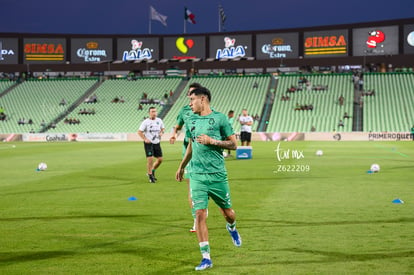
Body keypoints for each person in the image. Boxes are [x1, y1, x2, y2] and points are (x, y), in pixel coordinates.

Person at [176, 87, 241, 271]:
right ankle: (206, 258)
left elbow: (234, 145)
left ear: (202, 99)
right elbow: (190, 144)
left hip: (217, 175)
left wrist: (213, 141)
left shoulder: (221, 119)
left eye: (192, 100)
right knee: (199, 214)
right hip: (197, 175)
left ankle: (232, 227)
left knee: (228, 213)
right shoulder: (191, 120)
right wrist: (182, 166)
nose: (189, 104)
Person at [170, 82, 203, 232]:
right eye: (190, 93)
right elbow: (177, 126)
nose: (191, 96)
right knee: (192, 190)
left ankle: (203, 210)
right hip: (189, 155)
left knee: (205, 189)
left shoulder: (209, 113)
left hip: (204, 155)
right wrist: (173, 134)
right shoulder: (184, 111)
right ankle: (196, 220)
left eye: (194, 93)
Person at [137, 107, 165, 183]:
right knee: (150, 159)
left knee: (160, 160)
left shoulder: (159, 120)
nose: (154, 113)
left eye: (155, 111)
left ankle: (152, 171)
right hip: (149, 143)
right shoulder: (145, 122)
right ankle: (150, 176)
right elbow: (139, 132)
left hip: (157, 142)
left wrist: (162, 132)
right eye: (152, 111)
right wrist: (145, 139)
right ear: (149, 113)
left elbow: (162, 128)